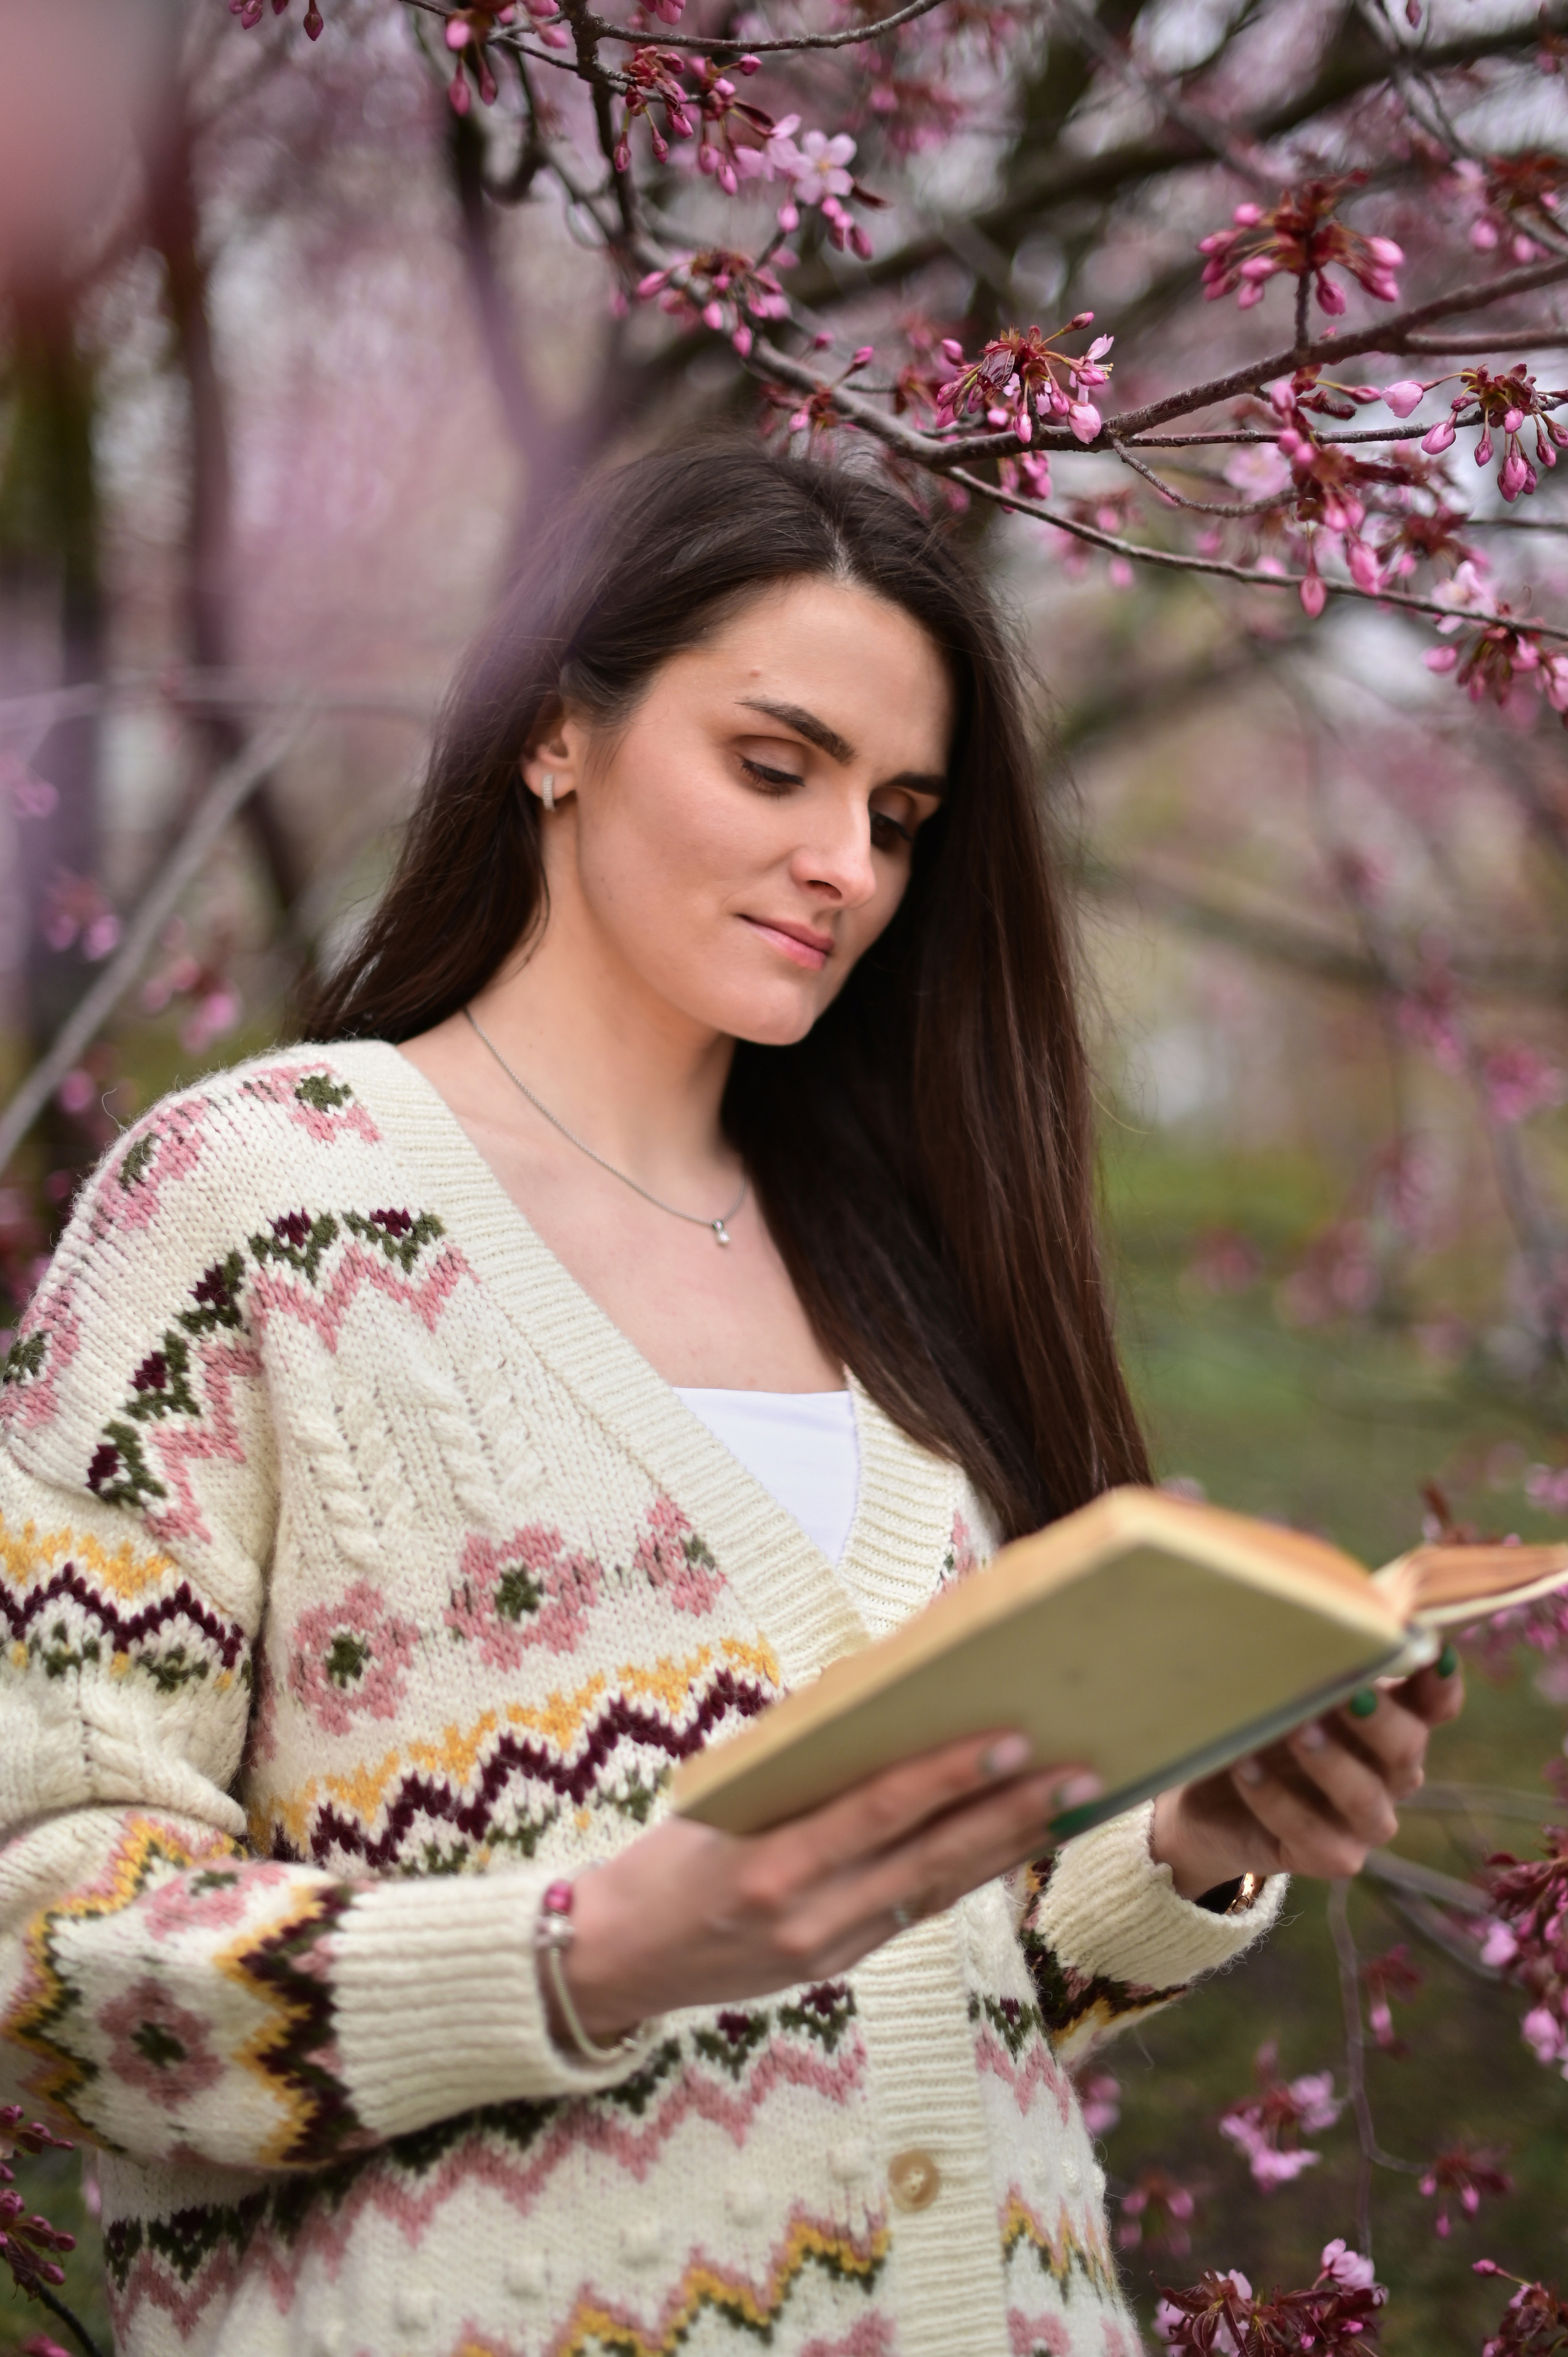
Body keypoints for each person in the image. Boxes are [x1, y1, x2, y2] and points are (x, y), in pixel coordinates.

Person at [0, 445, 1460, 2357]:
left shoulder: (900, 1259)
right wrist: (587, 1953)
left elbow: (937, 1973)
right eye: (775, 768)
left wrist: (1193, 1840)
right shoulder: (252, 1209)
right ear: (555, 733)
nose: (846, 866)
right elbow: (47, 1948)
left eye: (903, 814)